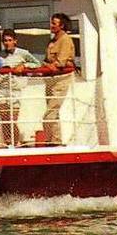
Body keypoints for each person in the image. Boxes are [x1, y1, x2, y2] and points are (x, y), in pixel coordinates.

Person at [0, 29, 41, 146]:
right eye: (5, 41)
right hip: (1, 89)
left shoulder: (23, 53)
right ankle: (8, 142)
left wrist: (24, 65)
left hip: (16, 89)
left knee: (13, 118)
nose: (7, 43)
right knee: (4, 117)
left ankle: (16, 141)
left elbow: (38, 64)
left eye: (10, 40)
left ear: (15, 41)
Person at [41, 13, 75, 144]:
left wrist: (51, 65)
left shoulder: (65, 40)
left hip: (61, 80)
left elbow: (60, 62)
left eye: (54, 23)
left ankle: (54, 141)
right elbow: (46, 61)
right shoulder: (52, 41)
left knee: (49, 114)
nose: (51, 25)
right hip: (50, 80)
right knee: (53, 113)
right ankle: (54, 141)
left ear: (62, 25)